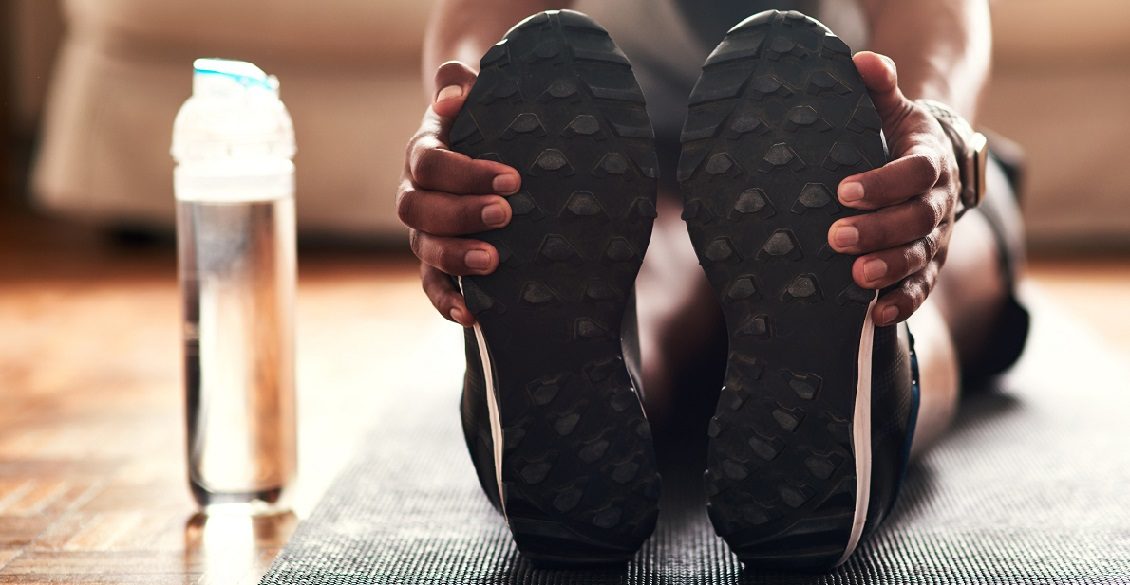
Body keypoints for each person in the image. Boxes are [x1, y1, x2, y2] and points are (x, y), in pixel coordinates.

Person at [397, 0, 1028, 572]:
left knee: (906, 237)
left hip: (859, 141)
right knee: (859, 265)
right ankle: (872, 393)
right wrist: (468, 141)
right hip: (631, 157)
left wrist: (932, 127)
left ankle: (568, 425)